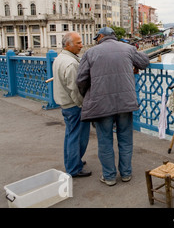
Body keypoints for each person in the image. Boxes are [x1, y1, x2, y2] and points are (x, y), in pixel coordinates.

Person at [76, 27, 150, 186]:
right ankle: (126, 174)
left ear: (101, 36)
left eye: (97, 37)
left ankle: (109, 177)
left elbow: (81, 79)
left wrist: (87, 94)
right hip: (125, 102)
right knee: (125, 139)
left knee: (105, 140)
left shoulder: (91, 53)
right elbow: (144, 62)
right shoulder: (128, 48)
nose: (96, 40)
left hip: (102, 104)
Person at [52, 32, 91, 177]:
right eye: (78, 43)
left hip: (65, 104)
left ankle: (72, 162)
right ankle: (74, 168)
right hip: (74, 106)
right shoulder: (71, 63)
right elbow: (75, 89)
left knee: (70, 135)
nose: (81, 46)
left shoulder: (60, 58)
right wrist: (82, 105)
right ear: (68, 45)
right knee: (77, 137)